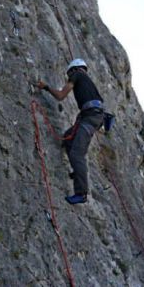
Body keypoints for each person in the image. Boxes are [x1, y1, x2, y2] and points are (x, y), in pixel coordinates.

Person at [36, 58, 104, 204]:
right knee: (68, 138)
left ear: (73, 70)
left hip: (90, 117)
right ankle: (78, 171)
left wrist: (46, 87)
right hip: (92, 116)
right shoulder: (87, 80)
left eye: (68, 75)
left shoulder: (77, 74)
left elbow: (61, 95)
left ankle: (81, 193)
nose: (68, 78)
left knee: (77, 154)